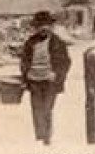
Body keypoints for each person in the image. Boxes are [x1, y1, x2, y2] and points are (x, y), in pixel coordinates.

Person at [19, 10, 71, 146]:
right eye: (40, 25)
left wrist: (57, 75)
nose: (43, 28)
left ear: (51, 26)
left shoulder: (58, 42)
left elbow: (65, 62)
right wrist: (25, 78)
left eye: (46, 25)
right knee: (37, 108)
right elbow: (24, 60)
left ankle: (47, 136)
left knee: (47, 108)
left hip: (50, 81)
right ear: (36, 27)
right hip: (34, 80)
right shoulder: (30, 43)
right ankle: (40, 135)